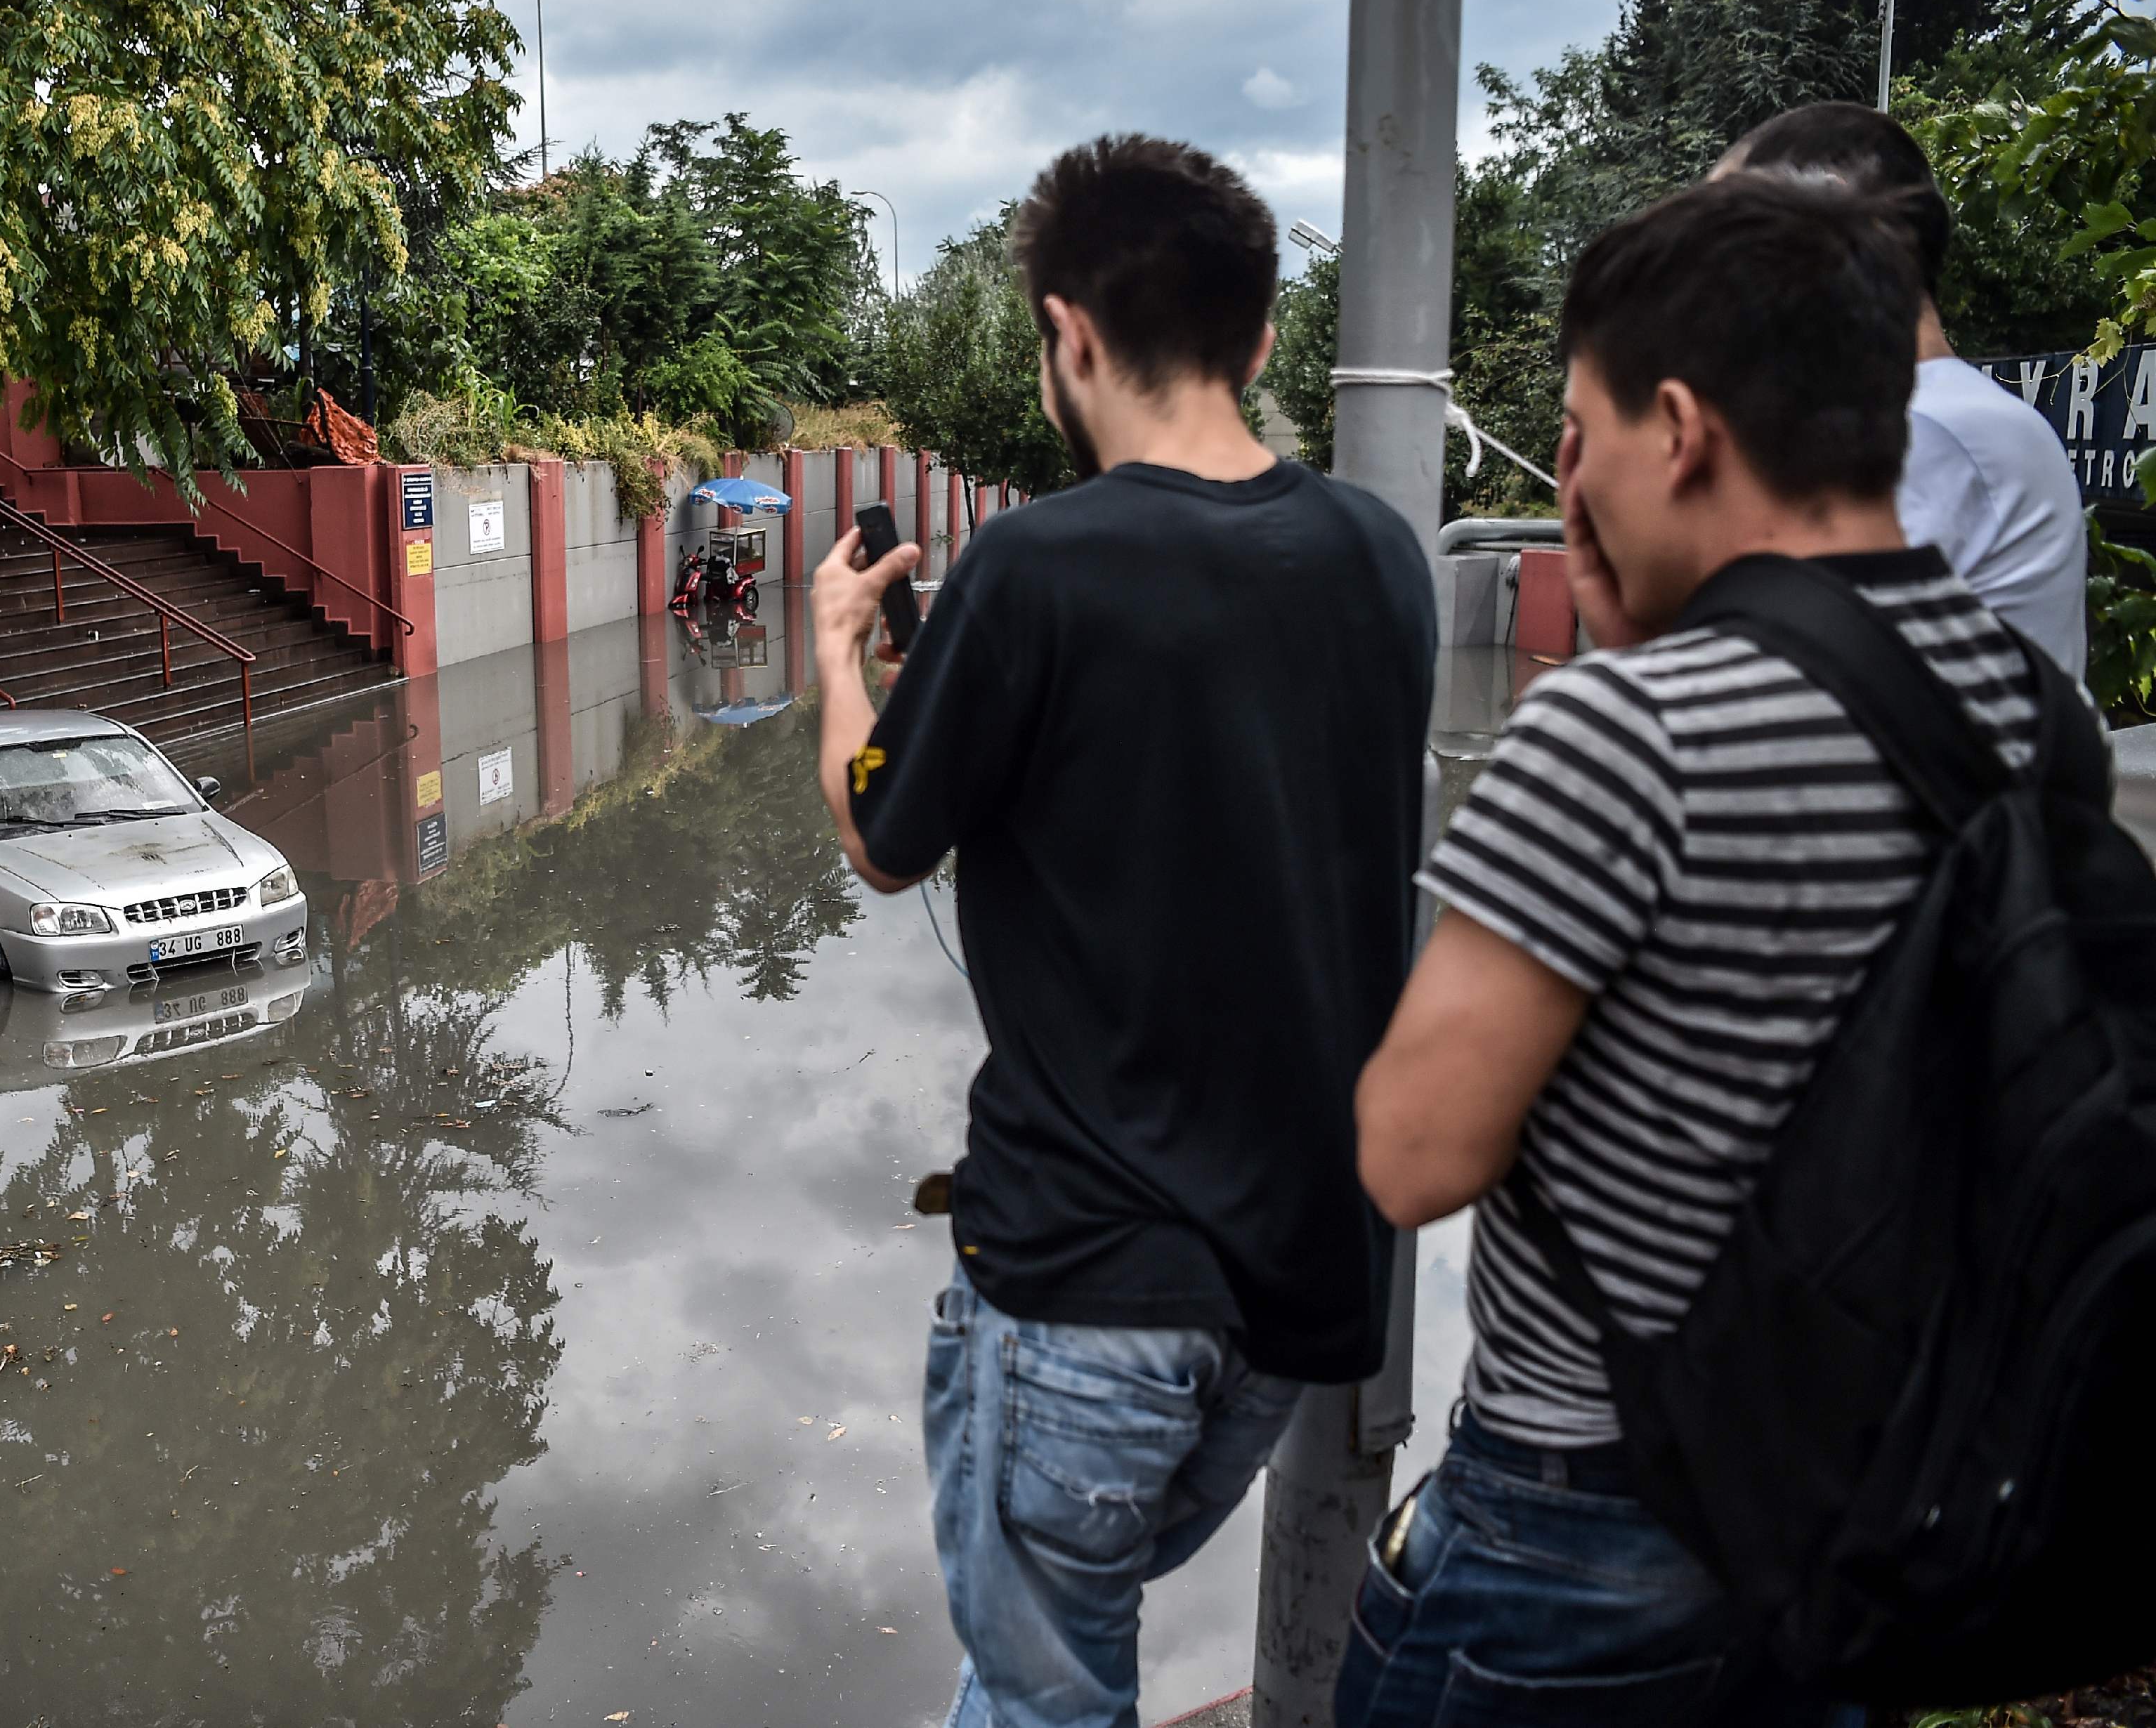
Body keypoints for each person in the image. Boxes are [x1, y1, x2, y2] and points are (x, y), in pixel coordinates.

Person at [1333, 174, 2041, 1727]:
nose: (1567, 474)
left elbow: (1409, 1151)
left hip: (1586, 1521)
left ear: (1679, 427)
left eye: (1579, 429)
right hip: (1862, 1505)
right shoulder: (2013, 699)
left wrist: (1618, 673)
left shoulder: (1619, 733)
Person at [807, 133, 1437, 1728]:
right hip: (1297, 1289)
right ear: (1265, 338)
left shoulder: (1033, 569)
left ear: (1067, 333)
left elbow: (884, 838)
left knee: (1042, 1692)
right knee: (1041, 1669)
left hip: (1086, 1281)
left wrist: (839, 657)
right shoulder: (1378, 558)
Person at [1718, 101, 2086, 678]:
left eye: (1731, 232)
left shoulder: (1925, 429)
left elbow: (1768, 675)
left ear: (1833, 222)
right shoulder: (1957, 416)